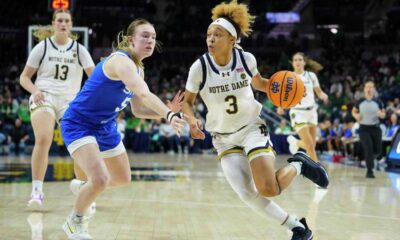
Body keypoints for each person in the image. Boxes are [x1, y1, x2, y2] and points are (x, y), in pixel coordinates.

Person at [182, 1, 329, 239]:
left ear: (232, 39)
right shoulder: (199, 68)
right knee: (248, 195)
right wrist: (191, 121)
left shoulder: (246, 59)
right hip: (223, 140)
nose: (210, 39)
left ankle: (299, 164)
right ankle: (298, 228)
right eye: (208, 35)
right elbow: (188, 101)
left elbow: (260, 84)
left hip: (251, 128)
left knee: (268, 188)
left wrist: (285, 87)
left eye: (217, 35)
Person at [60, 18, 186, 239]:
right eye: (145, 36)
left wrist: (169, 112)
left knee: (122, 178)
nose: (150, 41)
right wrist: (168, 114)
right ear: (131, 39)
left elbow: (138, 110)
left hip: (105, 126)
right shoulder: (121, 61)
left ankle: (83, 188)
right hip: (79, 123)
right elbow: (145, 94)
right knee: (100, 180)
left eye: (153, 37)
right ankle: (74, 222)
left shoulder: (139, 70)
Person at [19, 9, 95, 208]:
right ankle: (37, 192)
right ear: (54, 24)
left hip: (70, 100)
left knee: (80, 143)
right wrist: (34, 90)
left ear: (71, 25)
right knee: (44, 138)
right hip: (44, 96)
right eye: (59, 20)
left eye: (66, 21)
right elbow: (24, 77)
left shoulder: (79, 50)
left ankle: (85, 188)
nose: (63, 24)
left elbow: (94, 78)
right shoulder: (42, 47)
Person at [278, 52, 329, 162]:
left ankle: (295, 142)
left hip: (312, 112)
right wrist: (281, 106)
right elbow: (284, 96)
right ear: (292, 63)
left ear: (304, 62)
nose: (297, 62)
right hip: (298, 112)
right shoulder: (288, 78)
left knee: (312, 145)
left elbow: (319, 92)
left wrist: (323, 96)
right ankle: (318, 171)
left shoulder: (311, 76)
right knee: (310, 145)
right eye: (295, 60)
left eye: (300, 59)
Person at [352, 81, 386, 178]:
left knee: (378, 151)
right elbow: (353, 111)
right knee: (368, 149)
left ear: (374, 89)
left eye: (371, 87)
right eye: (367, 87)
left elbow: (383, 114)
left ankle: (369, 159)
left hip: (375, 128)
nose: (369, 89)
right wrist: (356, 116)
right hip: (364, 128)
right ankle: (369, 171)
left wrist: (381, 115)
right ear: (364, 89)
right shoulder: (360, 101)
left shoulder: (378, 102)